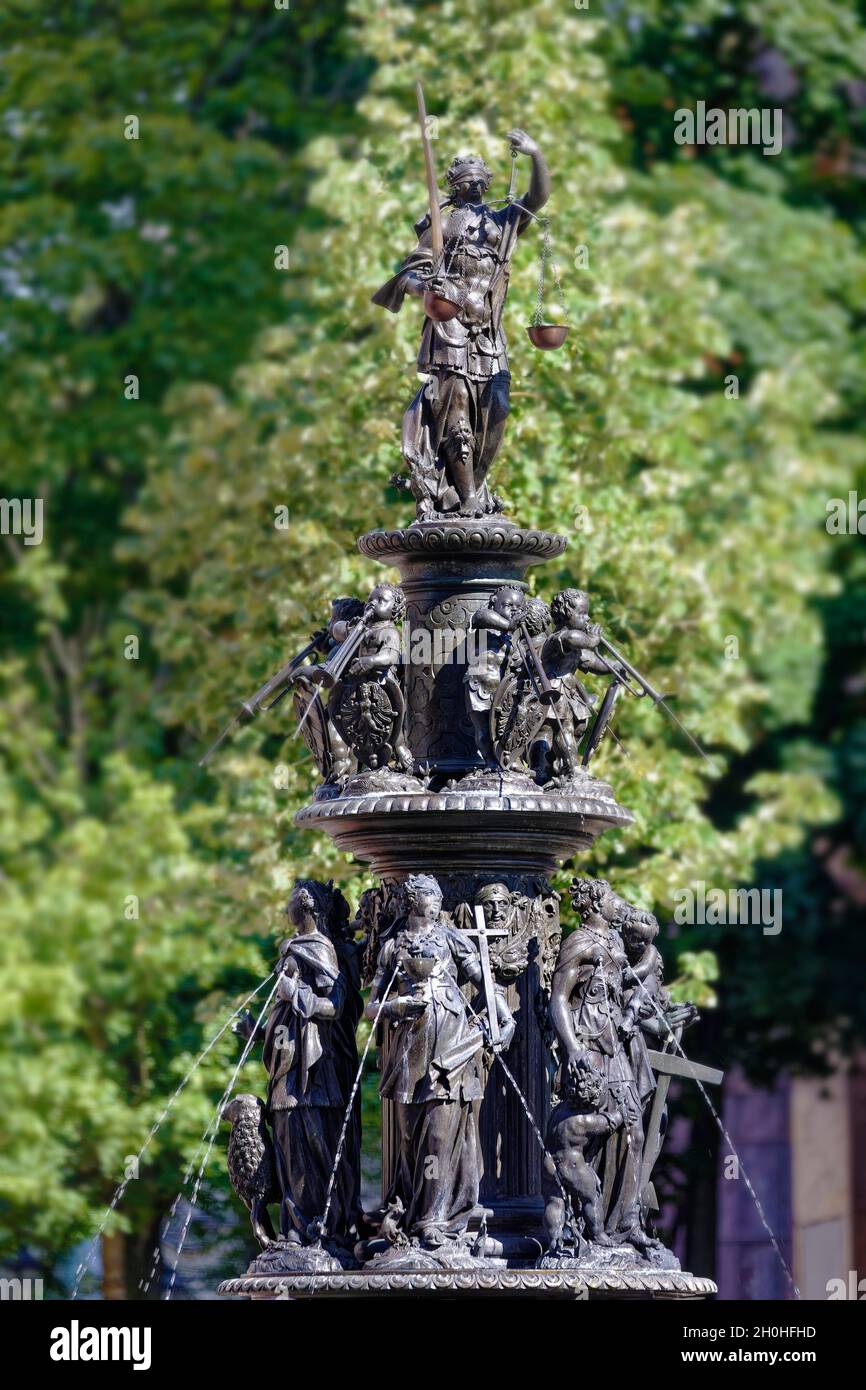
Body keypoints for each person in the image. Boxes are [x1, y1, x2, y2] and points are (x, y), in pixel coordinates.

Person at [372, 133, 550, 517]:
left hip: (489, 334)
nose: (473, 184)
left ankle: (476, 487)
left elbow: (537, 199)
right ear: (455, 184)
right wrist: (427, 288)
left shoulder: (503, 222)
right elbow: (407, 275)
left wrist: (535, 154)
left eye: (478, 179)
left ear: (487, 182)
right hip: (449, 334)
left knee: (496, 407)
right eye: (464, 179)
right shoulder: (442, 225)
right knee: (455, 411)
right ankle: (466, 497)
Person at [365, 874, 514, 1247]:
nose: (435, 901)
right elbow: (370, 1008)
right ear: (413, 900)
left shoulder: (450, 937)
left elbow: (482, 977)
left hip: (449, 1044)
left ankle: (434, 1219)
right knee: (408, 1136)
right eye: (430, 896)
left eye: (438, 897)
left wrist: (504, 1016)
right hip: (408, 1048)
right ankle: (412, 1211)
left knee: (439, 1134)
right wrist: (396, 1005)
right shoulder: (392, 945)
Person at [547, 877, 658, 1252]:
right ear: (596, 903)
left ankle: (628, 1222)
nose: (618, 903)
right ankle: (587, 1223)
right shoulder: (579, 942)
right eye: (612, 897)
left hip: (615, 1050)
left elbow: (633, 977)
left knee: (635, 1133)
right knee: (591, 1134)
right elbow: (558, 998)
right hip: (590, 1048)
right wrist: (573, 1048)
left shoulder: (613, 943)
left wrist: (648, 948)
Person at [261, 880, 362, 1245]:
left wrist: (296, 993)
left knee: (311, 1142)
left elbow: (334, 1006)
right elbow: (283, 1014)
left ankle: (320, 1227)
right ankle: (295, 1228)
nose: (286, 904)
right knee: (290, 1144)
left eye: (291, 898)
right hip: (288, 1063)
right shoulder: (293, 947)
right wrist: (258, 1031)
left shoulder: (322, 949)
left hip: (314, 1069)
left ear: (305, 906)